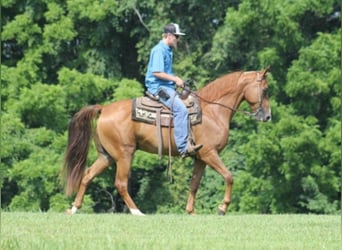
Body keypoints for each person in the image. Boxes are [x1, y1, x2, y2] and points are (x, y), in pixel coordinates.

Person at [145, 23, 202, 158]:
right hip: (157, 87)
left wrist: (175, 82)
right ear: (169, 36)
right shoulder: (159, 50)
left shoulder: (168, 50)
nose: (178, 39)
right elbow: (157, 72)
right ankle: (183, 147)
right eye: (177, 36)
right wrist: (175, 79)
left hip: (167, 86)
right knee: (180, 109)